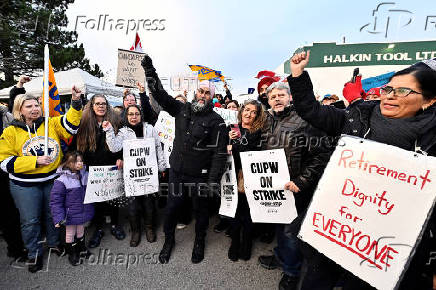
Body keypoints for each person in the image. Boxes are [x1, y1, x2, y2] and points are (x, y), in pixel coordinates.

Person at [288, 51, 436, 289]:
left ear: (429, 100)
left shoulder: (431, 141)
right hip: (336, 227)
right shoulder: (357, 116)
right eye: (388, 89)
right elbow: (311, 110)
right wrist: (298, 74)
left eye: (403, 91)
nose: (389, 96)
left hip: (383, 248)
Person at [141, 54, 228, 264]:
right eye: (200, 91)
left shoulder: (217, 122)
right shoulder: (181, 109)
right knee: (171, 210)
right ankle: (168, 241)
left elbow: (220, 154)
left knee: (201, 212)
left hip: (201, 177)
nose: (203, 95)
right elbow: (160, 94)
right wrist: (149, 70)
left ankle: (200, 241)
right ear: (195, 92)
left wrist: (212, 182)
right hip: (177, 174)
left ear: (212, 97)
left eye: (207, 93)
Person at [0, 86, 83, 272]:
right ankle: (34, 253)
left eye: (36, 105)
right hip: (25, 186)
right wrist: (34, 162)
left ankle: (54, 243)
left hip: (52, 180)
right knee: (30, 221)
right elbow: (4, 162)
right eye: (28, 106)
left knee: (53, 215)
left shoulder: (50, 124)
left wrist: (76, 102)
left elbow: (71, 126)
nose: (34, 109)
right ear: (19, 110)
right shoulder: (11, 132)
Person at [257, 81, 331, 290]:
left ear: (290, 97)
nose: (277, 99)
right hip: (274, 187)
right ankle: (283, 257)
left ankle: (291, 272)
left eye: (281, 94)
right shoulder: (268, 120)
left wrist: (302, 181)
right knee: (279, 227)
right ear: (268, 101)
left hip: (295, 188)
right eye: (273, 96)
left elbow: (322, 154)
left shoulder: (305, 120)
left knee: (290, 231)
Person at [103, 104, 166, 246]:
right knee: (132, 206)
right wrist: (108, 130)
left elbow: (158, 148)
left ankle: (150, 229)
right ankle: (136, 231)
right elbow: (114, 147)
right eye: (130, 114)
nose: (133, 117)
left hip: (148, 174)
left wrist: (161, 165)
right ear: (126, 116)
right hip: (132, 176)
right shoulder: (123, 132)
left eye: (136, 114)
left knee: (149, 204)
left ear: (141, 115)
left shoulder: (150, 129)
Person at [74, 94, 126, 248]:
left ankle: (116, 225)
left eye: (104, 103)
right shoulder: (84, 123)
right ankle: (98, 229)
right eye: (97, 103)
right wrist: (80, 162)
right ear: (92, 106)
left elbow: (123, 143)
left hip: (111, 166)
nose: (101, 106)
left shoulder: (117, 121)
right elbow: (80, 147)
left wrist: (121, 158)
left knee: (113, 199)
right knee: (97, 201)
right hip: (93, 168)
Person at [227, 99, 265, 261]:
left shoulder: (260, 132)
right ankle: (235, 242)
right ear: (241, 111)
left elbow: (254, 154)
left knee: (249, 213)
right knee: (234, 212)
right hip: (232, 177)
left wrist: (237, 143)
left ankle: (247, 243)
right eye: (246, 110)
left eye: (253, 112)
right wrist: (227, 142)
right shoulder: (232, 129)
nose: (248, 114)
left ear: (257, 116)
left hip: (251, 178)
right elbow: (222, 153)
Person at [50, 151, 93, 266]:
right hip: (70, 214)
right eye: (75, 161)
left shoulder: (85, 175)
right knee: (70, 233)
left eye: (80, 161)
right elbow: (56, 201)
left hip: (82, 211)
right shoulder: (61, 180)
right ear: (67, 163)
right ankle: (72, 253)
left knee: (81, 230)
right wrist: (58, 218)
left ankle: (82, 248)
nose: (79, 163)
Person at [0, 103, 26, 262]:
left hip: (5, 171)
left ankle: (15, 247)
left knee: (9, 211)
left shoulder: (5, 115)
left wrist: (19, 87)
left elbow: (18, 103)